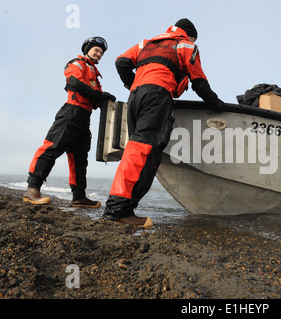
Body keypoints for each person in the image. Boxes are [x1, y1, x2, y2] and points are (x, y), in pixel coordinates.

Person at [103, 18, 224, 228]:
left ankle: (124, 208)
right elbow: (199, 82)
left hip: (136, 97)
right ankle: (117, 210)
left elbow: (121, 61)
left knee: (140, 150)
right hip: (157, 95)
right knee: (142, 150)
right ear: (190, 35)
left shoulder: (146, 43)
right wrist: (218, 104)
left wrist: (133, 84)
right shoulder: (187, 45)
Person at [24, 37, 116, 207]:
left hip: (84, 117)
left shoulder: (95, 73)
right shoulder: (76, 63)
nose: (99, 54)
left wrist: (103, 99)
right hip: (71, 112)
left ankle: (79, 197)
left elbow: (95, 99)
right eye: (96, 50)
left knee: (79, 157)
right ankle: (32, 189)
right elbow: (75, 83)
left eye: (101, 53)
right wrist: (100, 96)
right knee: (52, 147)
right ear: (87, 49)